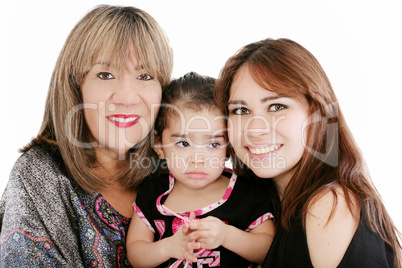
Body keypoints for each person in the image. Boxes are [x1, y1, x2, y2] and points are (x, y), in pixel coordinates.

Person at [0, 5, 173, 267]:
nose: (126, 98)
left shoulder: (175, 170)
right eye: (105, 75)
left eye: (145, 75)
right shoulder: (40, 175)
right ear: (75, 86)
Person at [214, 38, 402, 267]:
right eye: (240, 110)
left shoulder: (328, 205)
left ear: (317, 113)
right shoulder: (261, 210)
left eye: (276, 107)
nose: (255, 129)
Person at [126, 72, 275, 268]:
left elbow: (269, 250)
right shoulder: (153, 192)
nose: (198, 159)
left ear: (229, 147)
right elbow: (136, 253)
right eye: (183, 143)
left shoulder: (247, 194)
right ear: (159, 145)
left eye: (213, 145)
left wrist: (227, 235)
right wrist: (168, 247)